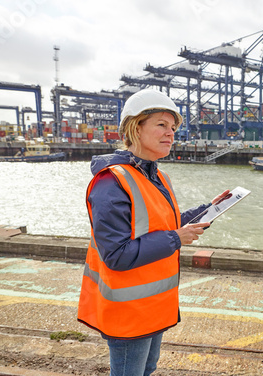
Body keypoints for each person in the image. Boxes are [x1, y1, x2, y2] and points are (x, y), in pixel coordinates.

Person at [77, 89, 229, 376]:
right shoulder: (111, 183)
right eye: (161, 125)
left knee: (147, 370)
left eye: (173, 128)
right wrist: (176, 238)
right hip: (128, 313)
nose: (170, 133)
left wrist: (209, 209)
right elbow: (116, 255)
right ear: (136, 127)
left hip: (155, 306)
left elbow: (166, 222)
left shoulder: (158, 176)